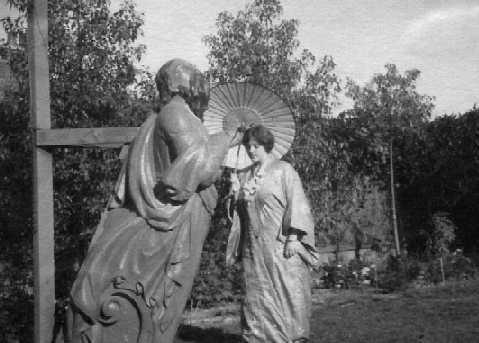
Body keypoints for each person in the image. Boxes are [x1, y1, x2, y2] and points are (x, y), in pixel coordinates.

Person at [67, 59, 242, 343]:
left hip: (160, 225)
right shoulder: (176, 113)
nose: (203, 89)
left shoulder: (165, 116)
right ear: (184, 85)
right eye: (198, 82)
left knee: (146, 311)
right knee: (150, 310)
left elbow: (192, 155)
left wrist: (224, 141)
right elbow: (202, 171)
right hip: (163, 231)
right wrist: (227, 133)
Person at [226, 125, 318, 343]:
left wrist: (294, 238)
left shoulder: (284, 170)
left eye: (255, 146)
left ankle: (291, 337)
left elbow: (298, 203)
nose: (250, 150)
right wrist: (235, 194)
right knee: (256, 294)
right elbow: (240, 216)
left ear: (266, 145)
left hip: (279, 245)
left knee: (287, 291)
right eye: (248, 146)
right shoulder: (244, 173)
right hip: (254, 249)